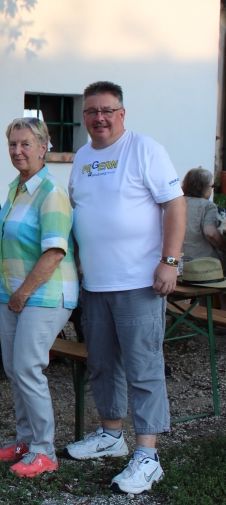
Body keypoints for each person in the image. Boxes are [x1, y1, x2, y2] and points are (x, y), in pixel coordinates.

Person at [66, 81, 185, 494]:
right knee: (102, 364)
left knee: (143, 368)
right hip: (95, 285)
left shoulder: (144, 149)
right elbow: (82, 213)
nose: (99, 118)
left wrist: (169, 261)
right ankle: (111, 436)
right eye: (91, 111)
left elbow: (175, 204)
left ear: (122, 113)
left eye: (107, 110)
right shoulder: (82, 157)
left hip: (139, 281)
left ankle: (148, 456)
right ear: (84, 117)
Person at [0, 118, 78, 477]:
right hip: (15, 295)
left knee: (28, 368)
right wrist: (9, 293)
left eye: (26, 144)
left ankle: (45, 451)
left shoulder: (51, 192)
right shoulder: (15, 188)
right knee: (14, 368)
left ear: (45, 147)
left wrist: (22, 293)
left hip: (44, 295)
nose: (17, 151)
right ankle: (25, 440)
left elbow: (54, 252)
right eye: (12, 144)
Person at [181, 167, 226, 266]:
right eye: (212, 186)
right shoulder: (207, 206)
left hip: (176, 262)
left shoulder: (176, 203)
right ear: (204, 187)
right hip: (203, 264)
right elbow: (211, 233)